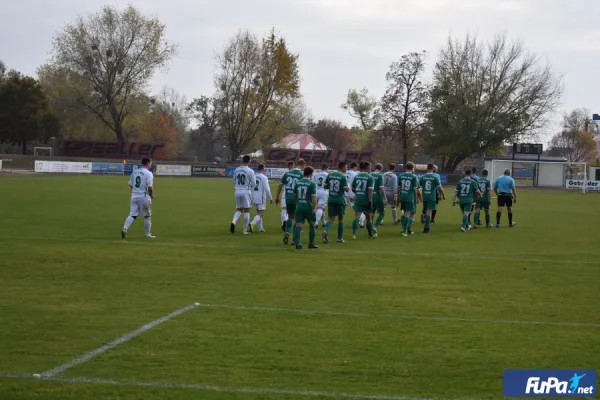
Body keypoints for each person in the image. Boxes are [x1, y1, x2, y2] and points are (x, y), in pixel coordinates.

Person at [122, 157, 155, 239]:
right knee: (147, 216)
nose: (150, 165)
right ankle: (147, 234)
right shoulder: (148, 173)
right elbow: (150, 187)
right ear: (148, 164)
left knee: (132, 215)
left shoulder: (135, 171)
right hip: (144, 197)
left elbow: (130, 184)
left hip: (134, 197)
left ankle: (124, 229)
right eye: (150, 163)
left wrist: (136, 190)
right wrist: (151, 195)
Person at [276, 159, 305, 244]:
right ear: (302, 165)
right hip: (296, 198)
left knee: (290, 217)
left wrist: (277, 196)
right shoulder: (302, 174)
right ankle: (294, 239)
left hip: (288, 197)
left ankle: (287, 233)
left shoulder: (287, 173)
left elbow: (280, 185)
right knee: (297, 218)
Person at [322, 161, 350, 244]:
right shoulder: (342, 176)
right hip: (340, 200)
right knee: (341, 219)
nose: (347, 168)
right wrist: (347, 186)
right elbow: (347, 189)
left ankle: (325, 231)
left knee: (331, 219)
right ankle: (339, 238)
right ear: (342, 167)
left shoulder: (329, 175)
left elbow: (325, 186)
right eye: (346, 167)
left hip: (331, 199)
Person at [293, 166, 318, 249]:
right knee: (312, 224)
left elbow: (295, 195)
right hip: (308, 207)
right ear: (311, 174)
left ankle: (298, 244)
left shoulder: (298, 182)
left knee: (298, 225)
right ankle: (311, 243)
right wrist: (314, 207)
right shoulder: (312, 183)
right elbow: (313, 197)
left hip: (299, 206)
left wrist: (298, 203)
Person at [230, 155, 256, 235]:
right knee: (246, 210)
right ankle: (244, 230)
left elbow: (233, 181)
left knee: (239, 210)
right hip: (246, 191)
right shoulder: (250, 171)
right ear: (249, 161)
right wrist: (248, 186)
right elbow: (254, 183)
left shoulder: (237, 169)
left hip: (237, 191)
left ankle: (233, 222)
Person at [351, 161, 375, 239]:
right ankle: (371, 234)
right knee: (369, 218)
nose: (371, 169)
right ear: (367, 167)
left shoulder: (357, 176)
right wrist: (370, 201)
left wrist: (358, 193)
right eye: (370, 167)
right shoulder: (370, 177)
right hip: (366, 199)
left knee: (357, 217)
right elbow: (370, 190)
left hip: (358, 199)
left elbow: (353, 188)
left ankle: (354, 234)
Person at [419, 164, 444, 233]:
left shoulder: (423, 177)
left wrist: (419, 196)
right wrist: (443, 194)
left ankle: (424, 217)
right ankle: (426, 228)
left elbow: (419, 186)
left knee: (425, 211)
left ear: (427, 168)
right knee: (429, 212)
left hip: (425, 196)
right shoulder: (435, 177)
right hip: (432, 197)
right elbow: (439, 188)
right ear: (433, 169)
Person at [398, 162, 421, 237]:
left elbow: (398, 187)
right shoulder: (413, 177)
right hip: (409, 197)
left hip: (402, 196)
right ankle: (404, 231)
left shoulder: (401, 175)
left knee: (405, 213)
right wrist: (416, 198)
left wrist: (398, 197)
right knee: (409, 214)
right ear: (412, 168)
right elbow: (415, 189)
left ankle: (404, 229)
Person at [250, 163, 272, 233]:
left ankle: (260, 228)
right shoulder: (264, 177)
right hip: (261, 197)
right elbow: (267, 188)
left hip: (254, 196)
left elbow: (251, 186)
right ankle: (252, 223)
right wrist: (270, 198)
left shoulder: (254, 176)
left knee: (258, 212)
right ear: (263, 169)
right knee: (260, 213)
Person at [312, 164, 329, 228]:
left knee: (322, 208)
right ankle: (316, 222)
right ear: (327, 168)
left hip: (316, 192)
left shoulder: (316, 175)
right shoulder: (328, 175)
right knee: (320, 208)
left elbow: (313, 183)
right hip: (324, 192)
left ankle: (324, 222)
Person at [370, 163, 387, 231]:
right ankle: (375, 226)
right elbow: (381, 188)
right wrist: (385, 197)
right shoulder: (380, 176)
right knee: (382, 213)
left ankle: (370, 226)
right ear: (381, 169)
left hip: (371, 196)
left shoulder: (370, 175)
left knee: (372, 212)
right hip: (378, 196)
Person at [279, 161, 295, 231]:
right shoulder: (297, 173)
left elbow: (281, 184)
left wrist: (277, 195)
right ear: (293, 166)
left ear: (288, 166)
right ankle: (287, 221)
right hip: (293, 194)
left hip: (285, 192)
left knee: (284, 209)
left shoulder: (286, 174)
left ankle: (283, 223)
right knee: (292, 211)